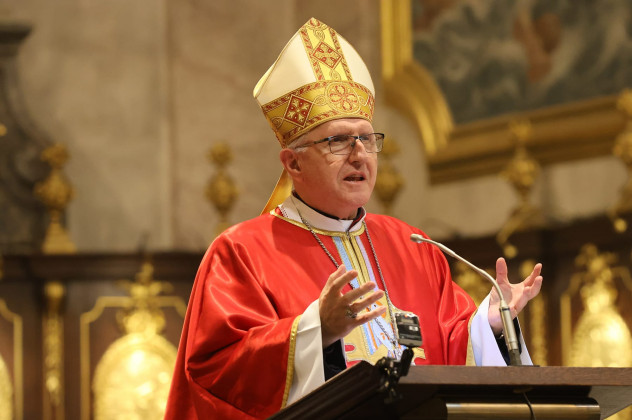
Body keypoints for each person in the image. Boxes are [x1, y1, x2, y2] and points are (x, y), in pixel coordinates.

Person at [164, 17, 543, 420]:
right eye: (337, 140)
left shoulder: (411, 244)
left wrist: (490, 321)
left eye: (367, 138)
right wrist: (316, 331)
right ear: (292, 162)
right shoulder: (241, 253)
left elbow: (448, 346)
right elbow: (215, 372)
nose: (359, 153)